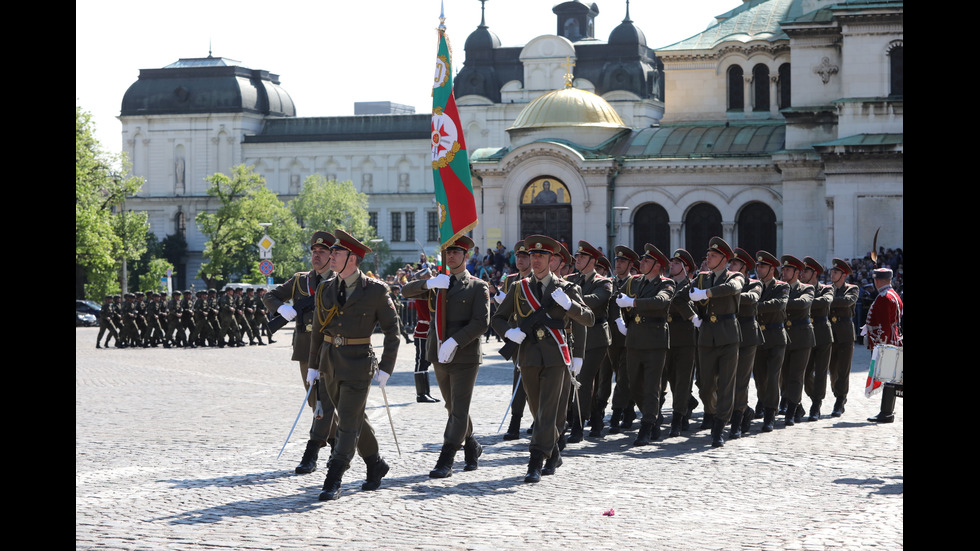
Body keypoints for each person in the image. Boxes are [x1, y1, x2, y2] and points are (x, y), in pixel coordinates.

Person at [491, 235, 593, 483]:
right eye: (532, 255)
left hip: (556, 355)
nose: (535, 260)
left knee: (548, 411)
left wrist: (570, 306)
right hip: (528, 355)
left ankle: (535, 461)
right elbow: (497, 319)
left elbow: (588, 319)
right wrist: (509, 332)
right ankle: (554, 451)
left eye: (541, 256)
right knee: (537, 410)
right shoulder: (518, 288)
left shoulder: (567, 289)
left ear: (552, 260)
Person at [309, 229, 401, 501]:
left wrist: (386, 368)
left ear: (352, 258)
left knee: (347, 423)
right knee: (356, 417)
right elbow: (316, 330)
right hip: (329, 363)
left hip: (359, 364)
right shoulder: (326, 287)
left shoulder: (375, 290)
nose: (332, 257)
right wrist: (314, 365)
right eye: (333, 252)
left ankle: (334, 476)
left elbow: (392, 332)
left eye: (337, 252)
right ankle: (375, 464)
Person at [402, 235, 490, 478]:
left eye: (456, 252)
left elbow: (481, 322)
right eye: (448, 252)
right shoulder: (438, 283)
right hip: (438, 354)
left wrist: (455, 340)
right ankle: (472, 445)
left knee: (459, 408)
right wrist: (428, 284)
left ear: (466, 256)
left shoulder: (477, 286)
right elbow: (405, 291)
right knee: (452, 406)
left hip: (465, 355)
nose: (451, 256)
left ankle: (446, 458)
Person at [263, 231, 338, 475]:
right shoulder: (300, 280)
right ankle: (336, 442)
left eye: (322, 252)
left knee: (326, 401)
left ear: (331, 255)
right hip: (306, 349)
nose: (317, 256)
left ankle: (316, 449)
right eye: (314, 252)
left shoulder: (340, 280)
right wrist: (283, 308)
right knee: (314, 401)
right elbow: (270, 296)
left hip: (333, 347)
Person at [615, 243, 675, 446]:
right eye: (643, 260)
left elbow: (660, 301)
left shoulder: (666, 284)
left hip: (654, 341)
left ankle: (647, 425)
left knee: (651, 386)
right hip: (634, 339)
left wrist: (632, 304)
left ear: (657, 265)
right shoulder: (635, 282)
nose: (642, 263)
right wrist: (619, 320)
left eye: (647, 261)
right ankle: (653, 417)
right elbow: (617, 297)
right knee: (634, 383)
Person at [688, 237, 744, 447]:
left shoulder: (735, 276)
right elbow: (681, 297)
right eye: (708, 255)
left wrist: (707, 293)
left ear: (724, 259)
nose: (708, 259)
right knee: (705, 385)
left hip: (728, 335)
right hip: (706, 335)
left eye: (713, 256)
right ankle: (711, 411)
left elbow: (733, 288)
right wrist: (692, 317)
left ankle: (719, 427)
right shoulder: (702, 278)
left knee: (726, 384)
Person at [567, 240, 614, 443]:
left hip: (595, 337)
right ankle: (595, 418)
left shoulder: (603, 282)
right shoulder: (571, 280)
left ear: (593, 261)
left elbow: (595, 300)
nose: (578, 260)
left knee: (584, 380)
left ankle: (578, 425)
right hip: (575, 337)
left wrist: (569, 302)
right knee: (581, 382)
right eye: (577, 257)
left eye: (582, 257)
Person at [493, 240, 533, 440]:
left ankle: (538, 420)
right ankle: (515, 422)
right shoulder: (510, 281)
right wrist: (508, 333)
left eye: (525, 257)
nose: (520, 260)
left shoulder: (538, 280)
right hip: (515, 337)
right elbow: (500, 315)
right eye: (518, 256)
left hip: (535, 337)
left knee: (538, 382)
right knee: (518, 380)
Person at [751, 250, 789, 433]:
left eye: (763, 266)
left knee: (773, 378)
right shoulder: (753, 286)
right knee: (760, 378)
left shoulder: (782, 286)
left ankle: (770, 414)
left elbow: (779, 304)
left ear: (772, 268)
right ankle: (764, 402)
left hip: (775, 337)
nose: (758, 269)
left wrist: (755, 306)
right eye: (757, 266)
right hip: (758, 338)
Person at [728, 248, 762, 439]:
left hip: (747, 336)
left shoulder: (754, 283)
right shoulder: (724, 283)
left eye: (734, 264)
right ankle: (743, 410)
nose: (730, 266)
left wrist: (729, 294)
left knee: (740, 380)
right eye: (730, 263)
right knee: (726, 380)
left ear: (744, 268)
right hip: (727, 334)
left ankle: (738, 418)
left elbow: (752, 298)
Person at [607, 245, 641, 434]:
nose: (618, 264)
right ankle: (628, 409)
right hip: (612, 337)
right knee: (619, 375)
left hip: (629, 336)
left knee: (624, 377)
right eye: (617, 261)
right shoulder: (610, 283)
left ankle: (616, 413)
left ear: (630, 264)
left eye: (622, 261)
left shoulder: (635, 283)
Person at [778, 255, 815, 427]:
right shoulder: (779, 288)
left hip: (801, 338)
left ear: (796, 272)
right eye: (783, 269)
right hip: (783, 337)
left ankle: (791, 412)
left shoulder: (806, 289)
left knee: (796, 376)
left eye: (787, 270)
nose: (783, 272)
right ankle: (797, 405)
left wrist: (781, 303)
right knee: (783, 376)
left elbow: (802, 304)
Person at [864, 267, 903, 423]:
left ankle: (886, 413)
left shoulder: (884, 297)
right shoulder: (893, 295)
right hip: (893, 339)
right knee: (890, 379)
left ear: (877, 281)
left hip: (886, 341)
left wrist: (879, 345)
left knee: (888, 378)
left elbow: (884, 324)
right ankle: (886, 412)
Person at [801, 257, 834, 421]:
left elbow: (826, 301)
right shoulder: (800, 290)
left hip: (822, 334)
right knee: (805, 373)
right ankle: (814, 395)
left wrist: (804, 302)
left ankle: (816, 404)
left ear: (814, 273)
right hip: (806, 335)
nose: (802, 274)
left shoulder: (826, 288)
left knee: (821, 372)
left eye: (805, 271)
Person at [827, 259, 859, 417]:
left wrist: (828, 301)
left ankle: (840, 399)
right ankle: (837, 393)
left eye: (836, 272)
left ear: (844, 275)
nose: (832, 275)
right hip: (830, 334)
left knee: (843, 369)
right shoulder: (828, 290)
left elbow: (847, 302)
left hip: (845, 334)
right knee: (832, 370)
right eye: (832, 272)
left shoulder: (852, 289)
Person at [408, 269, 440, 403]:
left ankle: (426, 392)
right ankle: (421, 393)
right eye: (428, 275)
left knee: (426, 362)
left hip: (430, 330)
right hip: (423, 330)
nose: (432, 276)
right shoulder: (422, 291)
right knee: (421, 361)